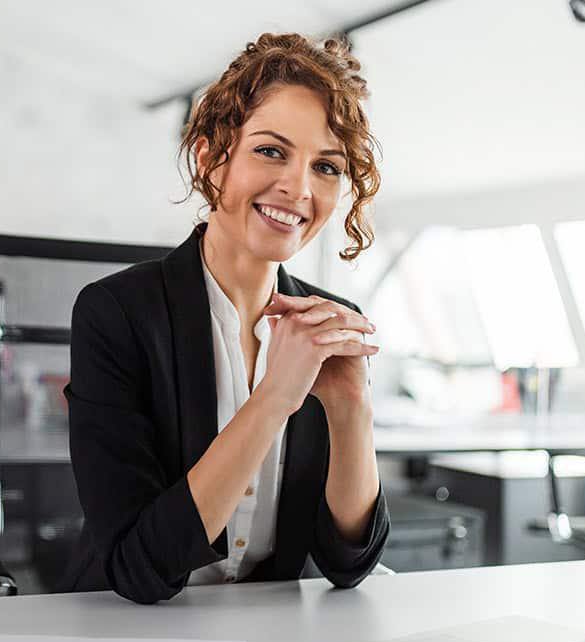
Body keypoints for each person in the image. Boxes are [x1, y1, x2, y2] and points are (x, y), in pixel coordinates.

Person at [61, 33, 390, 604]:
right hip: (127, 637)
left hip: (268, 639)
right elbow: (140, 571)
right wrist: (273, 400)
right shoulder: (115, 314)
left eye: (327, 167)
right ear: (212, 158)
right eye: (270, 151)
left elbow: (349, 563)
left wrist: (351, 410)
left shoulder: (329, 325)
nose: (298, 187)